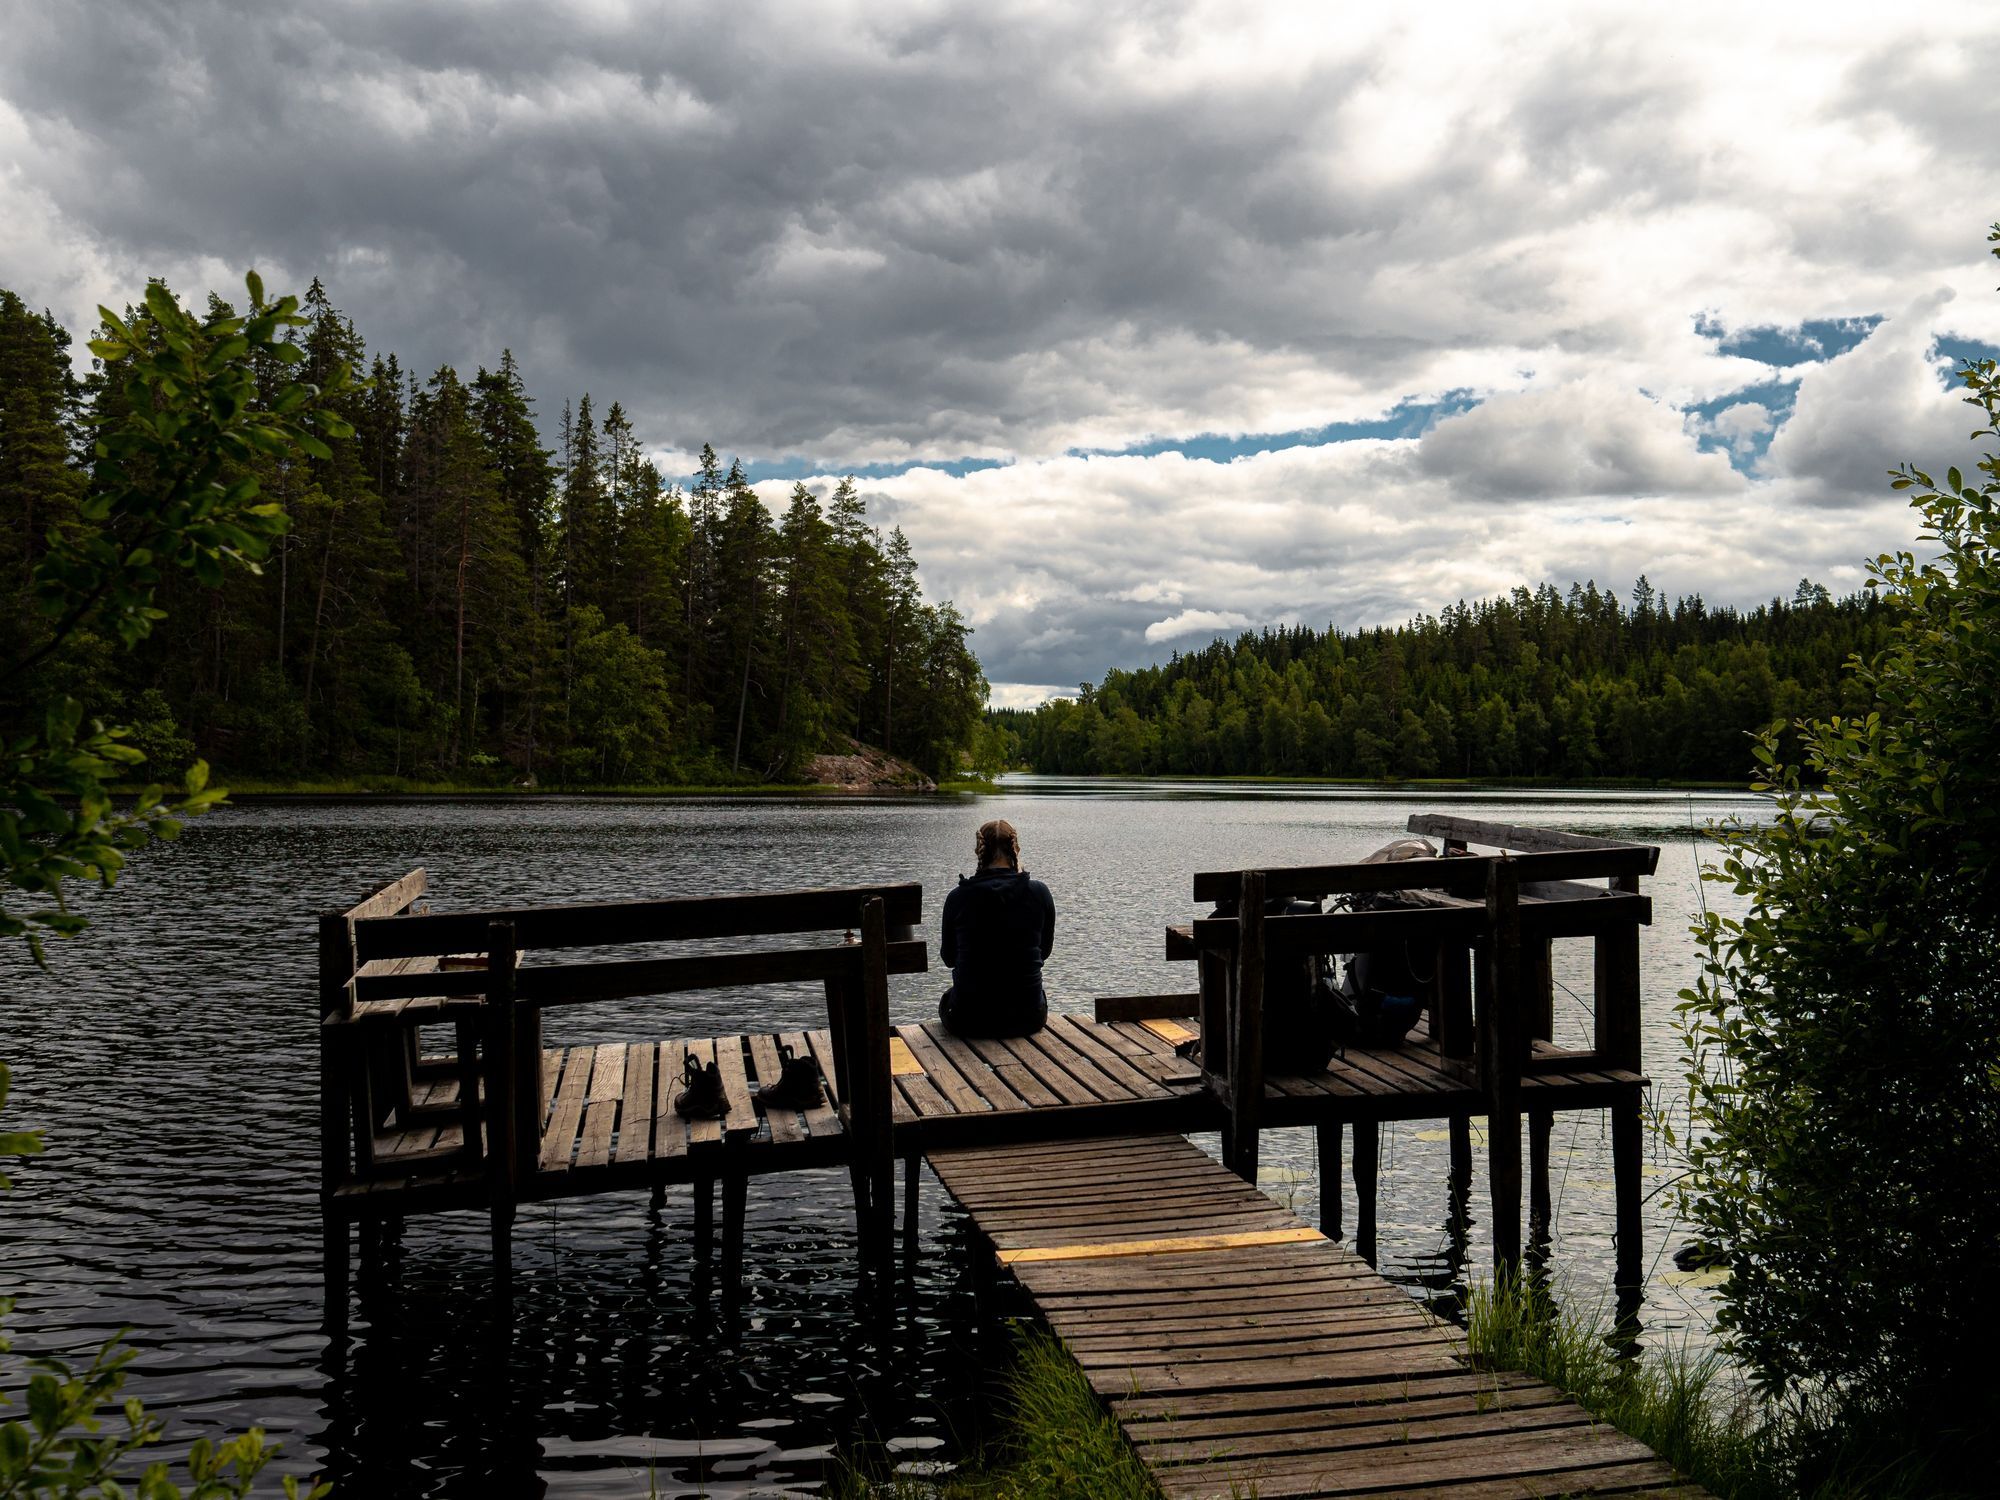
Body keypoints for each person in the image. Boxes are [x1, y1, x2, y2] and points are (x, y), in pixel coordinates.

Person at [938, 819, 1054, 1038]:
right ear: (1016, 849)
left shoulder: (958, 897)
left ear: (978, 850)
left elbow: (949, 959)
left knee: (948, 998)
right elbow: (1044, 952)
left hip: (968, 1019)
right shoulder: (1039, 893)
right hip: (1028, 1017)